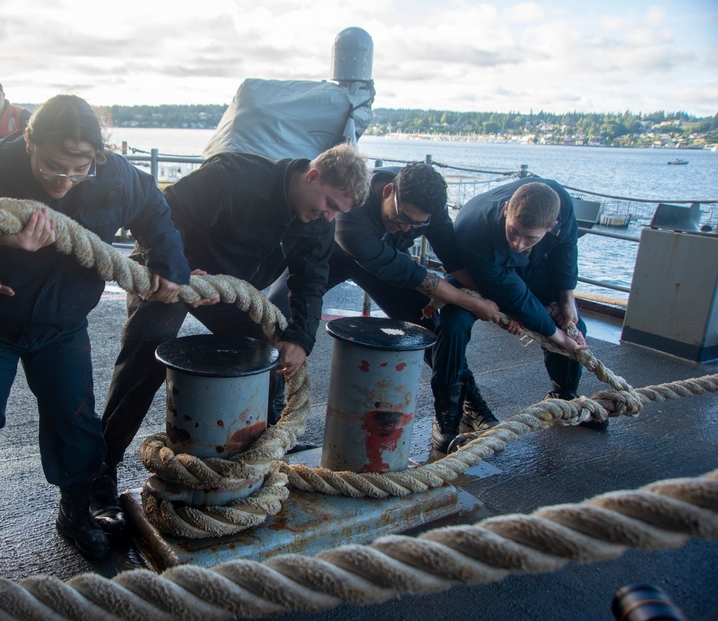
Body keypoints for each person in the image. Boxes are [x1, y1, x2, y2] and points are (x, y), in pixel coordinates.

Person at [0, 94, 192, 564]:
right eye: (52, 167)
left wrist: (168, 263)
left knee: (74, 423)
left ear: (97, 155)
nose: (64, 181)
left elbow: (157, 214)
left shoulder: (114, 176)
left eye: (78, 171)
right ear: (29, 143)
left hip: (63, 323)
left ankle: (74, 513)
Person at [95, 143, 371, 530]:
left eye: (338, 212)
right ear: (311, 176)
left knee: (272, 354)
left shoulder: (317, 222)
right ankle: (100, 470)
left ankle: (267, 450)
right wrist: (180, 268)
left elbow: (310, 280)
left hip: (230, 291)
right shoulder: (234, 174)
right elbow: (163, 211)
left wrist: (299, 339)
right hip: (173, 272)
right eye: (328, 203)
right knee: (145, 356)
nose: (329, 216)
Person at [268, 162, 502, 438]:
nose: (405, 228)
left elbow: (455, 264)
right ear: (388, 191)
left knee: (433, 330)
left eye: (416, 225)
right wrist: (473, 304)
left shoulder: (430, 209)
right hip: (333, 257)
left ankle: (469, 406)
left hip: (385, 262)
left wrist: (496, 303)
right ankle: (274, 421)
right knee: (276, 314)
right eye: (402, 217)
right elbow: (416, 277)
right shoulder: (353, 212)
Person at [431, 177, 598, 453]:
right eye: (514, 232)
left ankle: (563, 394)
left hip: (531, 268)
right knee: (453, 323)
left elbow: (567, 248)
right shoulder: (475, 228)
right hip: (478, 271)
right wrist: (554, 335)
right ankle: (447, 417)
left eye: (529, 237)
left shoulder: (561, 207)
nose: (519, 243)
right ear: (507, 209)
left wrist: (567, 298)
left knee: (573, 325)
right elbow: (515, 297)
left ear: (552, 226)